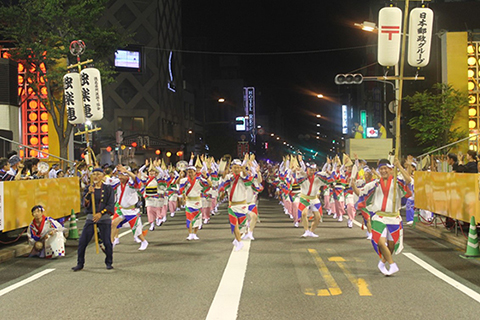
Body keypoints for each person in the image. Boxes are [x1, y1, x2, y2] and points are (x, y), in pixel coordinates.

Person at [352, 158, 412, 276]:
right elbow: (360, 192)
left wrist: (399, 165)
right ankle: (392, 264)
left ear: (390, 170)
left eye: (385, 168)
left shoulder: (397, 182)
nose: (383, 171)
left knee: (391, 245)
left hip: (394, 217)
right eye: (381, 169)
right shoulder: (375, 184)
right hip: (379, 217)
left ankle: (383, 262)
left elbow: (408, 180)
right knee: (380, 242)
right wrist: (353, 184)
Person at [72, 168, 115, 271]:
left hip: (104, 218)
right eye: (94, 174)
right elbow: (85, 204)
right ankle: (80, 263)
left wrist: (100, 214)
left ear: (103, 176)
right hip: (91, 217)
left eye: (98, 174)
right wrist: (88, 194)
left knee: (107, 242)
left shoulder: (108, 189)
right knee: (82, 241)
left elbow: (110, 205)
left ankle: (109, 262)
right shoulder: (89, 188)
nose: (96, 176)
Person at [109, 165, 149, 250]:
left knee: (137, 230)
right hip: (121, 209)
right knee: (113, 224)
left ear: (127, 176)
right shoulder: (118, 184)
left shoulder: (131, 184)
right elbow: (106, 180)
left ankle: (144, 241)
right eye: (119, 175)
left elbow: (136, 180)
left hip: (132, 210)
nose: (120, 177)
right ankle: (111, 243)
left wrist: (127, 171)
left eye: (122, 175)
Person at [295, 155, 332, 238]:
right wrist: (300, 163)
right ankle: (306, 231)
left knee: (318, 217)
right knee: (304, 214)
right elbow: (299, 176)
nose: (312, 171)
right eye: (310, 170)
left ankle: (311, 231)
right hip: (304, 198)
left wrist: (330, 172)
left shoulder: (318, 177)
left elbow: (329, 178)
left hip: (314, 199)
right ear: (307, 169)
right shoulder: (303, 176)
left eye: (313, 170)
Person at [219, 157, 252, 251]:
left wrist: (244, 171)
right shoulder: (229, 178)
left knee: (242, 227)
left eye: (238, 167)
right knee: (234, 225)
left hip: (242, 205)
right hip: (232, 206)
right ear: (232, 168)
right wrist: (224, 172)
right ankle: (240, 242)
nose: (236, 169)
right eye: (234, 167)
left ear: (241, 168)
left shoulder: (244, 177)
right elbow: (223, 186)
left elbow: (249, 182)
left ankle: (237, 239)